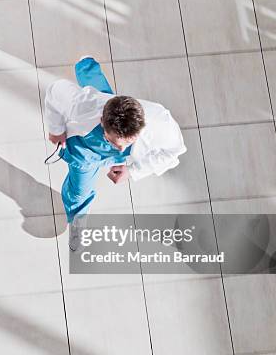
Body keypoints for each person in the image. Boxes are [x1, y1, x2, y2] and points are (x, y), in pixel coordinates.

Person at [44, 56, 187, 251]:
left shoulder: (162, 124)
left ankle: (88, 68)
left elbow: (174, 152)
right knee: (79, 191)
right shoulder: (82, 105)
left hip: (108, 110)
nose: (120, 149)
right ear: (102, 121)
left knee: (105, 94)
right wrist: (56, 129)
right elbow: (54, 90)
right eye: (112, 141)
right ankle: (77, 221)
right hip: (85, 150)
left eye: (127, 142)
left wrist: (133, 171)